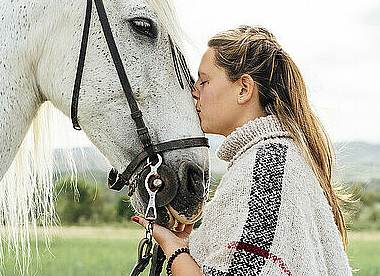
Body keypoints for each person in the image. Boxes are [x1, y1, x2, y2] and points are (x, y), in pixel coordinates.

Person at [132, 25, 354, 275]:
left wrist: (173, 249)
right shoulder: (276, 157)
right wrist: (192, 245)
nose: (194, 92)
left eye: (204, 81)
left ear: (243, 89)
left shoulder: (265, 169)